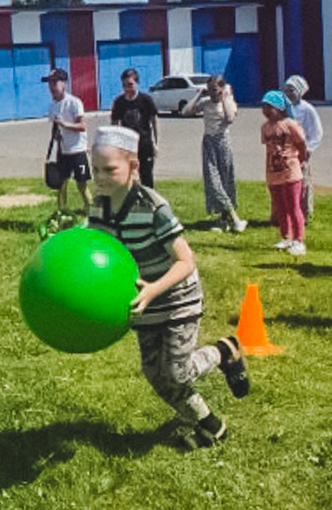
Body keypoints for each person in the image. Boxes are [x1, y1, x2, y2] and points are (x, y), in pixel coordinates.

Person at [88, 125, 249, 448]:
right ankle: (211, 426)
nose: (100, 177)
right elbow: (96, 250)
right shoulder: (99, 207)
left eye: (109, 169)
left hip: (177, 298)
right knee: (155, 375)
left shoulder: (152, 206)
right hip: (142, 305)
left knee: (177, 372)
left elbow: (185, 261)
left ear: (133, 166)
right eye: (96, 170)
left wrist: (153, 289)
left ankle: (223, 352)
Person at [184, 75, 247, 232]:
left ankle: (225, 219)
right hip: (209, 142)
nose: (213, 93)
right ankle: (235, 218)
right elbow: (186, 111)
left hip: (222, 142)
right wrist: (199, 95)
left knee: (226, 180)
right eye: (210, 89)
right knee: (213, 181)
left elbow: (230, 118)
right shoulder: (205, 103)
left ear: (221, 89)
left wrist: (224, 98)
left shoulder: (228, 102)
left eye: (215, 89)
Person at [260, 90, 308, 256]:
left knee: (293, 207)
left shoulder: (290, 125)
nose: (266, 111)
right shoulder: (265, 128)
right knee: (280, 207)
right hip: (274, 173)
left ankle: (299, 240)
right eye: (264, 107)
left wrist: (301, 160)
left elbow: (301, 143)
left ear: (280, 108)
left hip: (291, 172)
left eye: (269, 107)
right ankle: (286, 236)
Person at [44, 68, 92, 213]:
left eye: (55, 83)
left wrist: (65, 124)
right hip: (63, 151)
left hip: (77, 150)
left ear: (63, 84)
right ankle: (62, 211)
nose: (52, 87)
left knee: (81, 184)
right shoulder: (53, 106)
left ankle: (90, 210)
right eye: (50, 84)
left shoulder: (74, 102)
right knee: (61, 184)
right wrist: (56, 137)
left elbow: (82, 126)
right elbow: (55, 127)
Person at [283, 75, 323, 222]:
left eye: (292, 90)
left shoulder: (307, 109)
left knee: (302, 182)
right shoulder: (283, 108)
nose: (288, 93)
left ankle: (304, 213)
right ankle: (286, 212)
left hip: (301, 150)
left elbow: (316, 132)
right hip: (285, 151)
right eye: (286, 90)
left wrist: (309, 149)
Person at [110, 68, 159, 188]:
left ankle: (148, 198)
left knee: (146, 177)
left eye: (130, 85)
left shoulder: (146, 100)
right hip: (127, 146)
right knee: (128, 177)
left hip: (144, 144)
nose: (128, 88)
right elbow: (114, 126)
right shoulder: (119, 102)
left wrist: (155, 143)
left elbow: (154, 122)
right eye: (124, 85)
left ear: (137, 83)